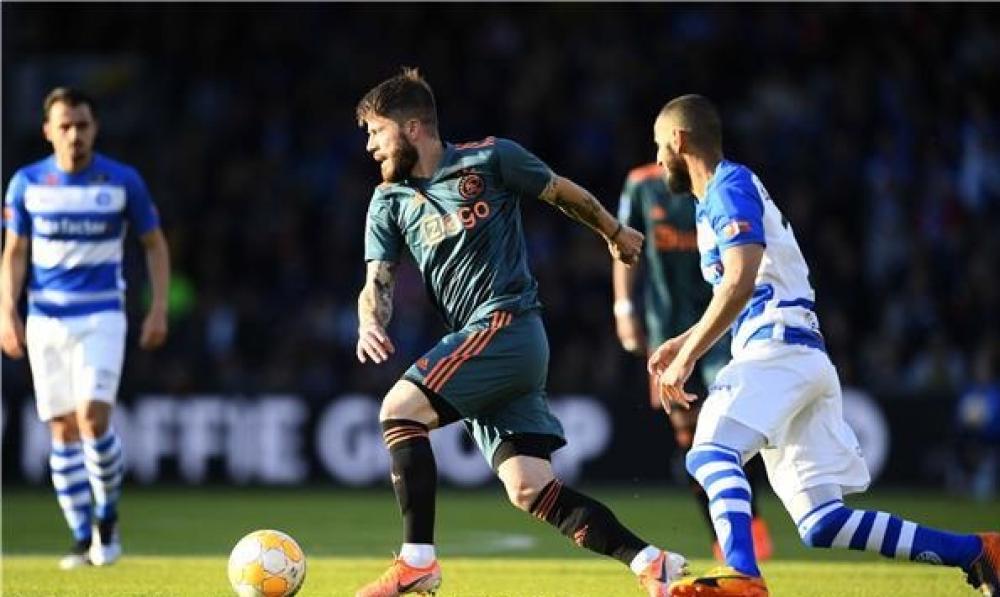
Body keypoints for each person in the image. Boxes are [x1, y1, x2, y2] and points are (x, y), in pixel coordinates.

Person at [647, 94, 999, 597]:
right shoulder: (713, 206)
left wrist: (688, 357)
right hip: (797, 353)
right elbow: (744, 291)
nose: (658, 159)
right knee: (822, 521)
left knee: (709, 452)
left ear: (680, 140)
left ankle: (743, 575)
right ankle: (978, 551)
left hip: (778, 349)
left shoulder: (728, 186)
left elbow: (741, 283)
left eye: (659, 145)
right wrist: (683, 340)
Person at [353, 67, 687, 597]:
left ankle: (417, 562)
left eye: (376, 131)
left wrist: (614, 231)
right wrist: (370, 319)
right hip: (486, 346)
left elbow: (559, 191)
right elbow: (378, 280)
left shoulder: (490, 159)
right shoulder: (388, 201)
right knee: (529, 487)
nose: (370, 145)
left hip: (506, 323)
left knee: (399, 410)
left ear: (412, 127)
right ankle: (653, 564)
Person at [0, 87, 170, 569]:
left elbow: (154, 244)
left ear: (95, 128)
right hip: (46, 319)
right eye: (66, 125)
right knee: (61, 428)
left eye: (82, 125)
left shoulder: (122, 181)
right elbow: (14, 253)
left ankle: (107, 520)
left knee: (93, 418)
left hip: (101, 315)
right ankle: (80, 536)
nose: (75, 134)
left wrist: (158, 307)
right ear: (48, 131)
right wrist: (6, 311)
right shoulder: (27, 183)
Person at [613, 163, 773, 562]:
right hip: (665, 328)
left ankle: (749, 517)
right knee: (687, 435)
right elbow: (623, 247)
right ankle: (721, 535)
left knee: (728, 422)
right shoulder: (641, 185)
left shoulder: (717, 185)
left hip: (721, 327)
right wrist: (624, 308)